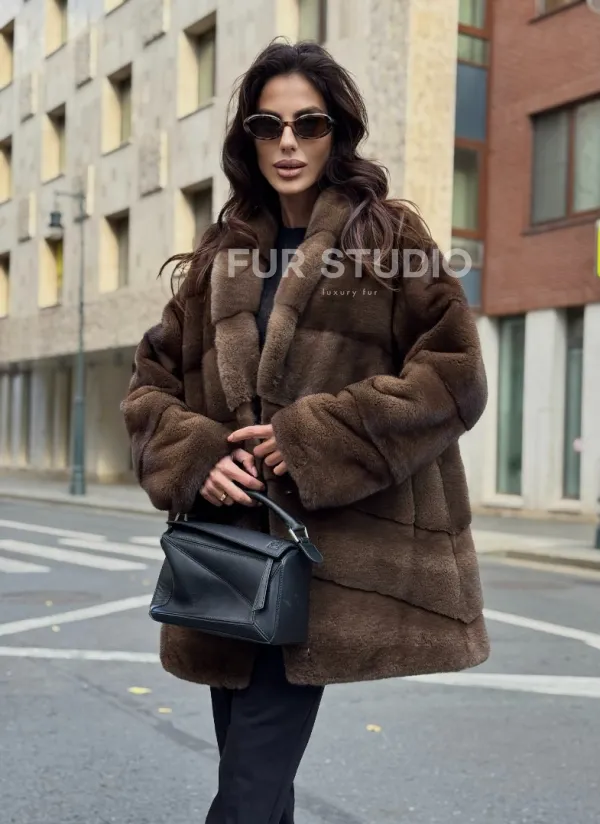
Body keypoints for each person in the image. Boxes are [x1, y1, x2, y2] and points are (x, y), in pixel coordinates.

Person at [121, 39, 490, 824]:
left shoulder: (386, 240)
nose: (288, 142)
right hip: (226, 553)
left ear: (335, 133)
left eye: (309, 124)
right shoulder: (220, 256)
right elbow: (149, 381)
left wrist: (317, 438)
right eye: (269, 125)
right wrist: (194, 456)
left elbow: (454, 375)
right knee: (258, 784)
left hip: (324, 563)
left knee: (246, 794)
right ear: (249, 139)